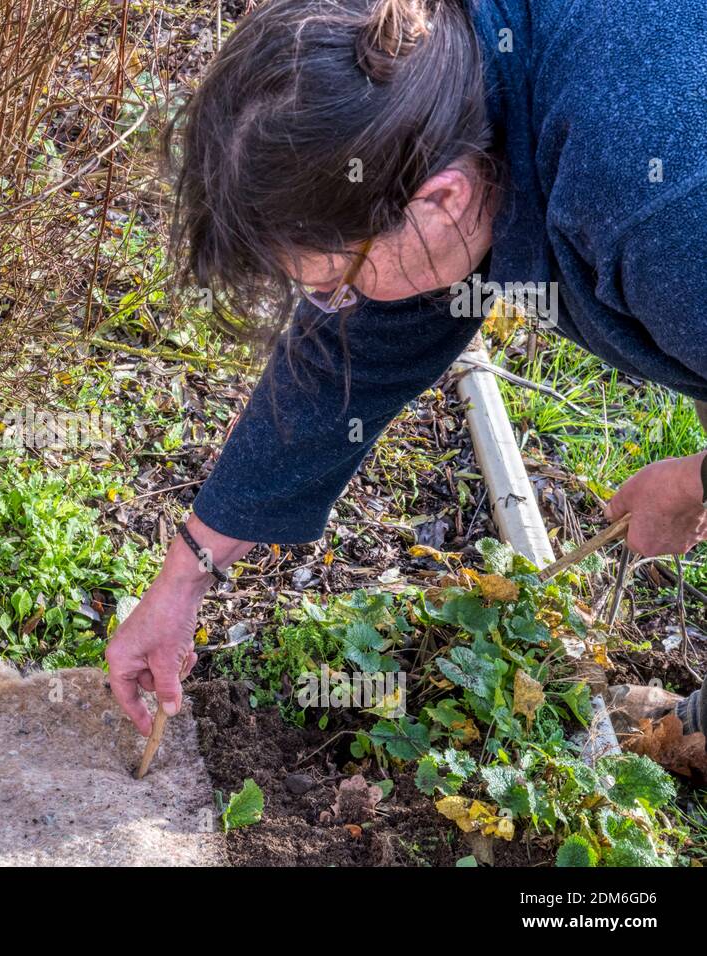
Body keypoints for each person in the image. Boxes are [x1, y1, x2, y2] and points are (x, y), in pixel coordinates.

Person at [106, 0, 707, 735]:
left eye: (337, 284)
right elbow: (352, 351)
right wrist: (183, 578)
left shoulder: (656, 208)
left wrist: (692, 481)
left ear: (442, 200)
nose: (337, 305)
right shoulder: (430, 93)